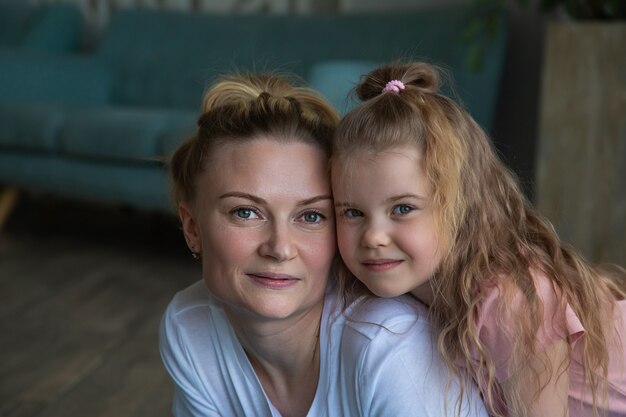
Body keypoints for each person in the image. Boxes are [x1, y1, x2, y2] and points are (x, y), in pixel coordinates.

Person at [159, 72, 488, 417]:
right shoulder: (189, 327)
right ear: (192, 227)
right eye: (246, 212)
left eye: (311, 216)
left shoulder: (388, 345)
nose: (280, 248)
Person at [331, 61, 626, 417]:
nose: (374, 237)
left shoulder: (509, 301)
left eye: (403, 209)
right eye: (352, 213)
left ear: (461, 204)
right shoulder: (413, 286)